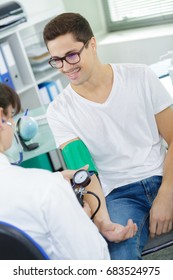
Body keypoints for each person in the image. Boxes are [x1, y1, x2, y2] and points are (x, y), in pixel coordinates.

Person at [43, 12, 173, 260]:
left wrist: (167, 193)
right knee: (116, 256)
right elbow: (85, 172)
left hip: (163, 173)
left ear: (92, 44)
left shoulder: (140, 77)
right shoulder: (58, 111)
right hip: (119, 194)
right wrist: (103, 223)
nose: (65, 67)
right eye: (56, 60)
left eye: (71, 55)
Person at [0, 83, 111, 260]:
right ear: (1, 118)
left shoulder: (46, 186)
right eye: (12, 116)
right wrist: (79, 222)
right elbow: (93, 260)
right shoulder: (47, 189)